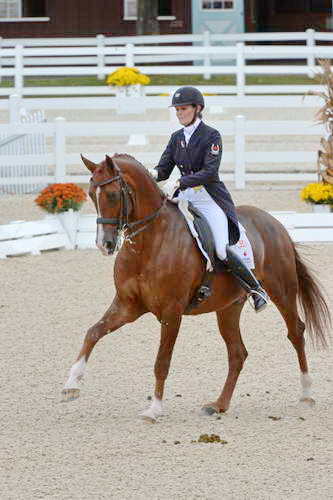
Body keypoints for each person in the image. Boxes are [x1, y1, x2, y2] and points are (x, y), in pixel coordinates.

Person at [151, 86, 268, 312]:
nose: (179, 113)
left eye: (183, 109)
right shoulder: (176, 138)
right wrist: (153, 174)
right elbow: (164, 168)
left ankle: (255, 289)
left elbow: (210, 172)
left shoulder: (211, 135)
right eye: (177, 110)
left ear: (198, 108)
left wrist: (180, 182)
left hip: (209, 198)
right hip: (184, 198)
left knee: (222, 249)